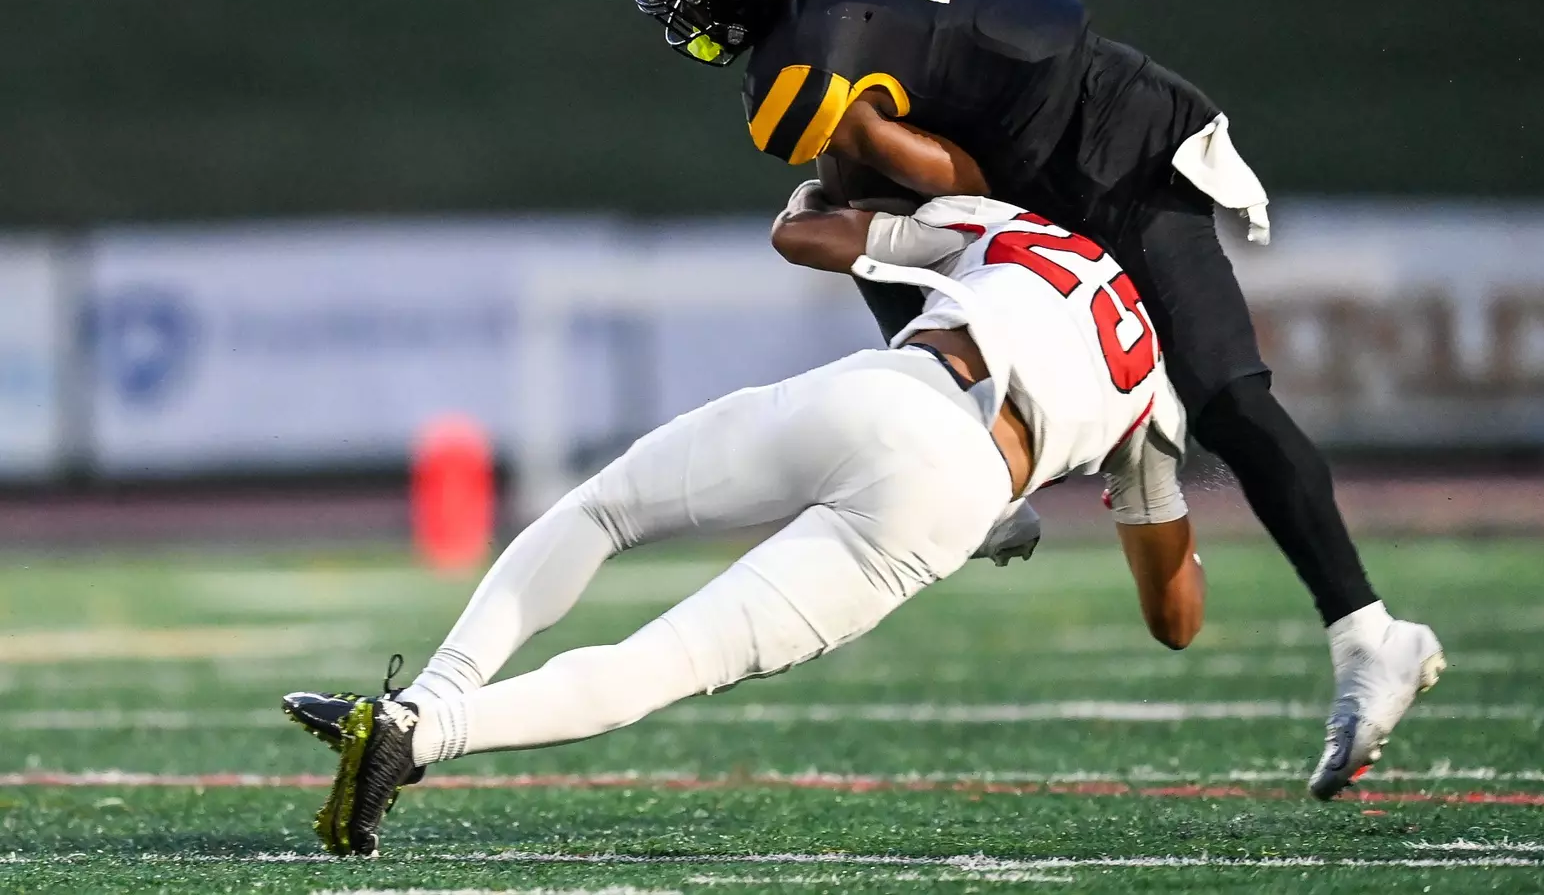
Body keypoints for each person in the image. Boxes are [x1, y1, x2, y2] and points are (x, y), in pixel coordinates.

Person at [621, 0, 1445, 800]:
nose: (694, 13)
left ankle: (1373, 638)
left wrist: (904, 218)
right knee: (845, 209)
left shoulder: (803, 61)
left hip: (1109, 147)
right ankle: (984, 445)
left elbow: (956, 177)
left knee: (1226, 395)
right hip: (1049, 144)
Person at [284, 190, 1214, 856]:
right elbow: (1174, 618)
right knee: (658, 665)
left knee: (600, 510)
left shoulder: (1025, 230)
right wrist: (1133, 486)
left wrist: (823, 183)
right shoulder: (1157, 403)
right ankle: (419, 736)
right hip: (959, 487)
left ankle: (420, 700)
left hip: (882, 391)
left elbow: (811, 236)